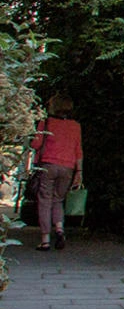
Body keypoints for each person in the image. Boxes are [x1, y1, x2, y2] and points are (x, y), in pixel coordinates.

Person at [29, 94, 81, 252]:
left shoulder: (46, 123)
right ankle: (60, 229)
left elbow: (36, 144)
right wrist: (79, 171)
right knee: (58, 199)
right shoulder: (75, 126)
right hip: (68, 167)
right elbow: (78, 150)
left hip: (48, 164)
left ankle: (45, 239)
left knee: (45, 200)